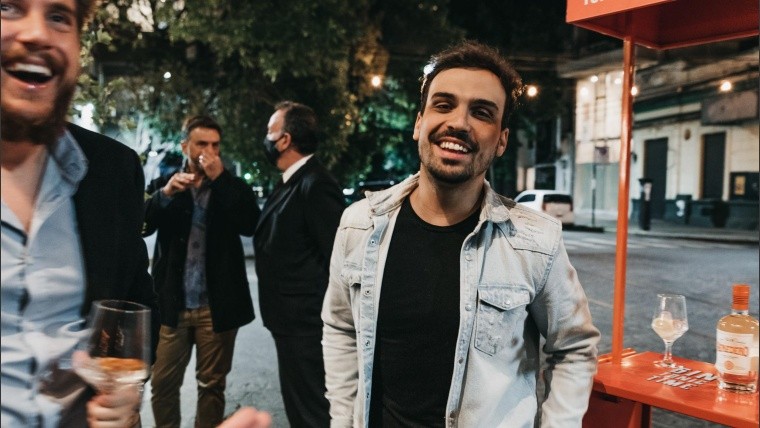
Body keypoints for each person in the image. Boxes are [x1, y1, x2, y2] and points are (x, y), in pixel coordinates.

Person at [322, 40, 601, 427]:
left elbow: (574, 348)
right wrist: (342, 420)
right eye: (443, 105)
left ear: (501, 140)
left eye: (482, 112)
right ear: (419, 122)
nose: (459, 123)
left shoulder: (536, 242)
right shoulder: (359, 225)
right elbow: (341, 328)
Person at [1, 0, 158, 426]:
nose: (37, 33)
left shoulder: (113, 171)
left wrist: (122, 391)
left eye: (59, 16)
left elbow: (135, 302)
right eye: (8, 8)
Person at [144, 114, 261, 427]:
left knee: (211, 385)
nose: (208, 152)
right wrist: (166, 194)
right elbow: (141, 224)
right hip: (171, 305)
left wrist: (221, 179)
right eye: (201, 144)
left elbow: (250, 224)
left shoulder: (232, 186)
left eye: (215, 145)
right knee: (162, 384)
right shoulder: (165, 184)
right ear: (185, 146)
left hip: (216, 307)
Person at [254, 101, 344, 427]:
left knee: (311, 413)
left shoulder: (315, 184)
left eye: (270, 131)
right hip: (289, 324)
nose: (266, 138)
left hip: (306, 326)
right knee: (298, 409)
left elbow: (339, 258)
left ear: (285, 140)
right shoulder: (290, 180)